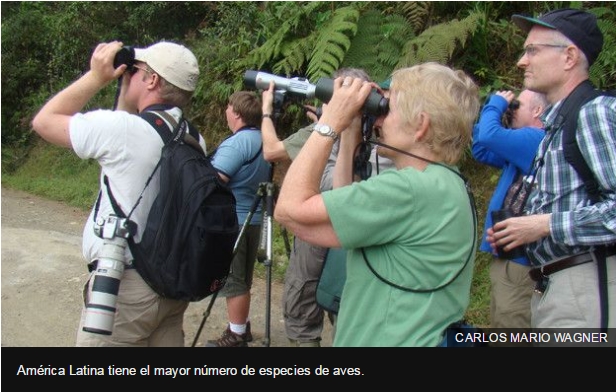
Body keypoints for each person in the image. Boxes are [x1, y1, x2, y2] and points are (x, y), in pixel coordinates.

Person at [274, 62, 481, 346]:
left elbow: (289, 211)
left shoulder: (407, 190)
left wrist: (329, 122)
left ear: (420, 125)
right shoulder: (447, 183)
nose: (379, 120)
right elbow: (342, 212)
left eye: (388, 108)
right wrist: (349, 134)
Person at [31, 41, 205, 346]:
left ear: (152, 80)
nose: (129, 74)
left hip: (125, 290)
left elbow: (44, 122)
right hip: (169, 285)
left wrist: (97, 77)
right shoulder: (193, 138)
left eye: (135, 70)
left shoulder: (122, 131)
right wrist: (127, 90)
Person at [487, 8, 616, 329]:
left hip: (587, 285)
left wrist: (544, 225)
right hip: (555, 285)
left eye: (532, 50)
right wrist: (523, 229)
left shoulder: (592, 114)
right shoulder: (556, 124)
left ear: (570, 56)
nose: (521, 61)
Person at [261, 68, 376, 347]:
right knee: (344, 311)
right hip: (353, 238)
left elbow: (272, 152)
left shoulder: (321, 131)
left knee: (306, 307)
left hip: (321, 230)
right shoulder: (381, 133)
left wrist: (266, 112)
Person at [472, 89, 546, 331]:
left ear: (537, 111)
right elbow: (480, 148)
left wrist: (496, 105)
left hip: (520, 260)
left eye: (516, 106)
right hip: (507, 253)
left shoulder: (536, 138)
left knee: (511, 327)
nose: (510, 110)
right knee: (501, 321)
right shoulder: (520, 146)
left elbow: (489, 135)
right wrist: (495, 112)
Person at [206, 91, 272, 347]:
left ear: (237, 113)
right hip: (255, 218)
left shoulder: (237, 143)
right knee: (243, 278)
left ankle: (236, 335)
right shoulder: (265, 140)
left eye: (228, 106)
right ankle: (240, 326)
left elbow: (215, 180)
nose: (226, 110)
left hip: (233, 220)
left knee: (232, 280)